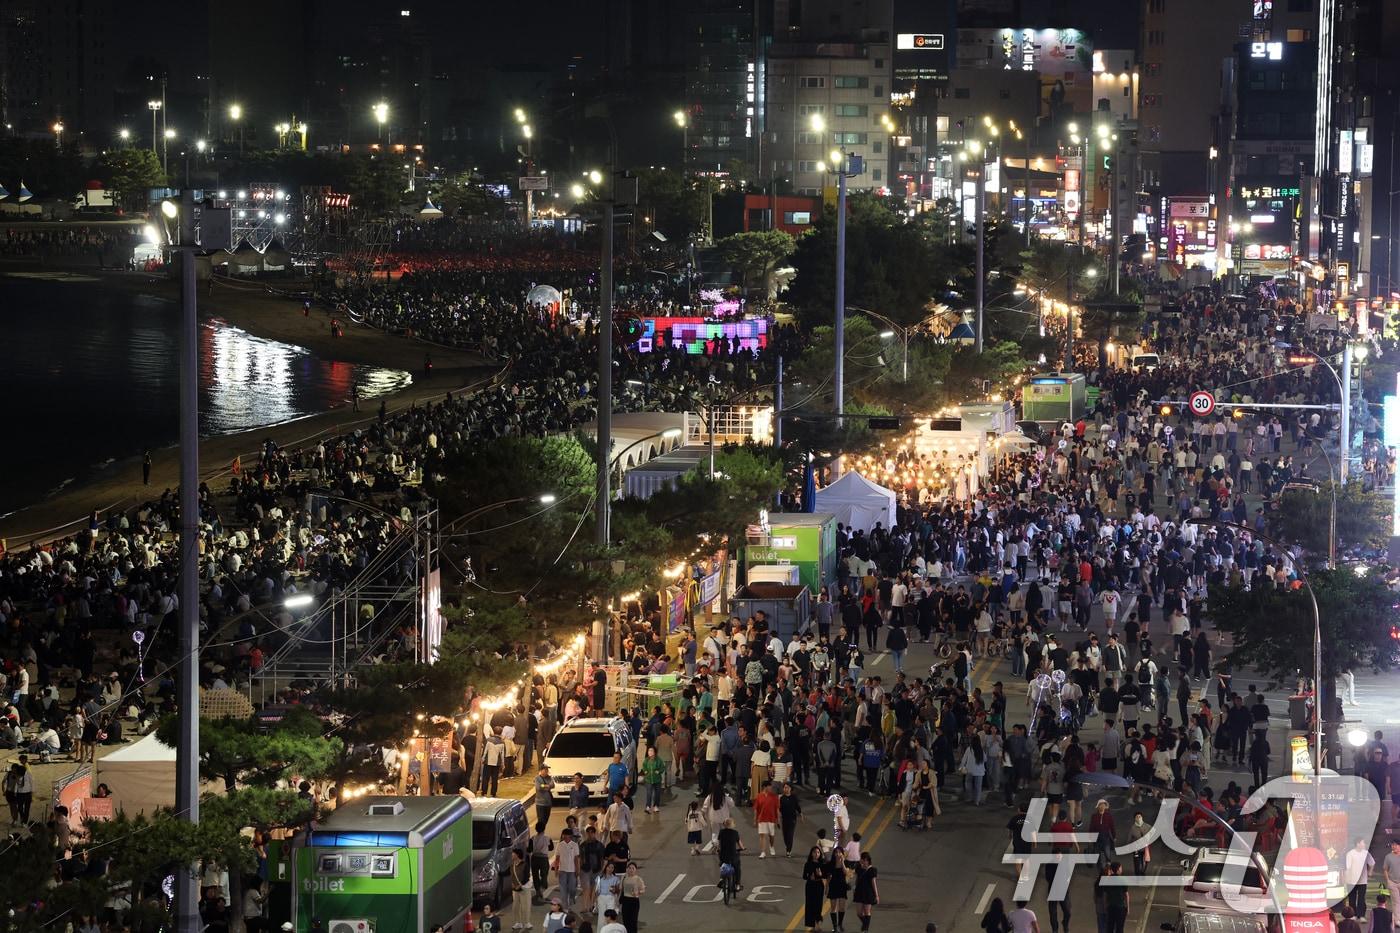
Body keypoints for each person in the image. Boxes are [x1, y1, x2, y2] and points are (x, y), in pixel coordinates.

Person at [1346, 838, 1376, 916]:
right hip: (1352, 881)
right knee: (1352, 899)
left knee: (1361, 899)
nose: (1364, 844)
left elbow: (1372, 863)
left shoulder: (1366, 853)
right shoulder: (1350, 854)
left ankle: (1361, 915)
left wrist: (1370, 872)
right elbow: (1348, 867)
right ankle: (1353, 915)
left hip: (1363, 881)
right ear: (1358, 844)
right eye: (1363, 843)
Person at [803, 846, 829, 932]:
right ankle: (812, 926)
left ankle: (818, 924)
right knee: (810, 905)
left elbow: (826, 876)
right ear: (811, 854)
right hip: (810, 886)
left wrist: (821, 875)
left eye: (818, 852)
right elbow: (804, 876)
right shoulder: (808, 864)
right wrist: (809, 877)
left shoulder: (822, 864)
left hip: (818, 886)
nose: (816, 854)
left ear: (820, 854)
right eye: (814, 852)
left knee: (818, 905)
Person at [852, 852, 879, 931]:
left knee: (867, 912)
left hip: (868, 893)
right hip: (859, 892)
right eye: (862, 860)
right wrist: (855, 888)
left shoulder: (872, 870)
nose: (863, 861)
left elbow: (873, 883)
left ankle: (866, 929)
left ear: (868, 861)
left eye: (864, 860)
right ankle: (865, 924)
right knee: (859, 913)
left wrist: (876, 895)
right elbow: (857, 880)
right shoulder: (859, 869)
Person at [717, 816, 745, 892]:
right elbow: (740, 845)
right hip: (733, 855)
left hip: (723, 855)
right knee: (737, 867)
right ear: (732, 825)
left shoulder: (721, 832)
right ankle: (737, 885)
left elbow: (719, 844)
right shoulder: (735, 833)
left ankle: (721, 879)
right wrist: (743, 848)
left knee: (722, 863)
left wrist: (718, 849)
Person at [529, 822, 554, 902]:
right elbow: (551, 848)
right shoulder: (548, 838)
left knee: (535, 875)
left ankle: (537, 890)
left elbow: (529, 849)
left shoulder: (532, 838)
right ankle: (543, 886)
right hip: (543, 859)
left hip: (535, 858)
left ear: (536, 829)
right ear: (544, 829)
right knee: (544, 874)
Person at [755, 781, 780, 858]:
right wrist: (755, 819)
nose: (771, 788)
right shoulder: (759, 796)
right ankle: (763, 852)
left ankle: (771, 846)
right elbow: (756, 809)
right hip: (762, 819)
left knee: (771, 836)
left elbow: (777, 809)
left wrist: (778, 820)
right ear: (765, 787)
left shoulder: (775, 797)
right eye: (769, 787)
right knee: (762, 836)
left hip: (771, 819)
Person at [828, 849, 851, 932]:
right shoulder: (831, 863)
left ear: (842, 853)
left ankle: (840, 924)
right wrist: (827, 888)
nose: (838, 854)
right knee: (833, 907)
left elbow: (846, 872)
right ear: (834, 854)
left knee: (842, 907)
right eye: (836, 852)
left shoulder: (846, 862)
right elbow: (828, 876)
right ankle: (835, 926)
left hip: (842, 886)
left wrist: (842, 862)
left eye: (839, 852)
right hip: (833, 886)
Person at [618, 861, 645, 933]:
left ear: (636, 870)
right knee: (626, 920)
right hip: (625, 900)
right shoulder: (624, 877)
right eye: (629, 868)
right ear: (627, 869)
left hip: (634, 901)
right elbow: (621, 888)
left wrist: (638, 892)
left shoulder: (638, 879)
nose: (631, 870)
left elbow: (643, 889)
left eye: (633, 868)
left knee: (633, 920)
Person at [509, 848, 532, 931]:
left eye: (513, 853)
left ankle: (527, 922)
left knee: (525, 906)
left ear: (517, 855)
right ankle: (518, 922)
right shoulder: (512, 865)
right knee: (515, 906)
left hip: (524, 888)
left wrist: (520, 884)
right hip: (515, 889)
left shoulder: (524, 864)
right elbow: (507, 874)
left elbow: (527, 877)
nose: (512, 855)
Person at [640, 746, 666, 813]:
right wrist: (645, 771)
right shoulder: (646, 760)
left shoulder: (658, 760)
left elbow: (662, 767)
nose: (650, 752)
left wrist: (659, 771)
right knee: (649, 793)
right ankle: (648, 806)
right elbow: (644, 766)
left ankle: (656, 806)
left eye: (651, 751)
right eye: (649, 751)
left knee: (657, 794)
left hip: (657, 780)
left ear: (655, 752)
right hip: (648, 780)